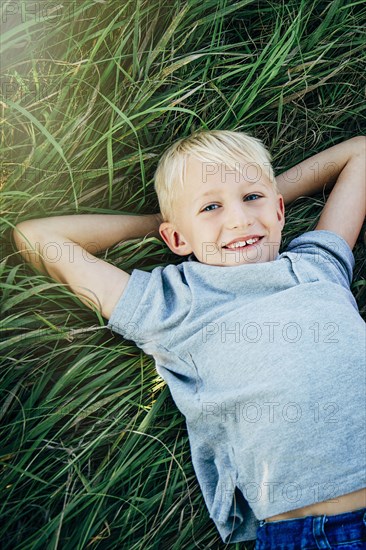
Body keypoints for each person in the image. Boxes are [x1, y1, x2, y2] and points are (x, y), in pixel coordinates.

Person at [12, 130, 366, 548]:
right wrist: (160, 224)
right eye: (211, 207)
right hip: (318, 532)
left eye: (251, 198)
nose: (238, 219)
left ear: (280, 210)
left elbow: (360, 153)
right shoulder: (170, 303)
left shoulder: (316, 263)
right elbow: (38, 238)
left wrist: (257, 199)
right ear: (176, 239)